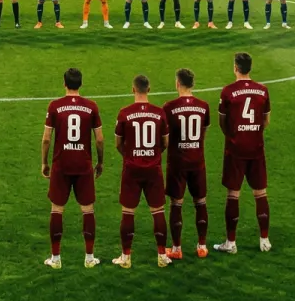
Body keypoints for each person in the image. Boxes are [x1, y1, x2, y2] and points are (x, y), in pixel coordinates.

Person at [41, 66, 104, 269]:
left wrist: (44, 162)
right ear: (81, 84)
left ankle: (56, 258)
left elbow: (46, 139)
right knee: (87, 209)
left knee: (57, 209)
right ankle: (89, 258)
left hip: (61, 163)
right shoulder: (91, 106)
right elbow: (100, 140)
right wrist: (100, 161)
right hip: (83, 164)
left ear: (64, 83)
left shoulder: (55, 106)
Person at [213, 51, 272, 254]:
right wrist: (253, 133)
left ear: (235, 68)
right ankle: (264, 240)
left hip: (235, 149)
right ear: (250, 68)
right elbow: (265, 121)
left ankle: (231, 243)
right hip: (256, 148)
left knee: (233, 194)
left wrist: (233, 136)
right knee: (260, 193)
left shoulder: (228, 91)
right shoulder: (263, 91)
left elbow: (222, 122)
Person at [112, 74, 172, 268]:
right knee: (158, 211)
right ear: (149, 89)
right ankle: (162, 256)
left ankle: (126, 257)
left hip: (131, 168)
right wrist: (152, 154)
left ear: (133, 89)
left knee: (128, 212)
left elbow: (118, 144)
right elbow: (165, 143)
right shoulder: (159, 113)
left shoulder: (124, 113)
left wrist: (130, 155)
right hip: (153, 169)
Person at [162, 68, 212, 259]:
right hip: (197, 161)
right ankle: (202, 246)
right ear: (193, 84)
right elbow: (203, 134)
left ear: (177, 83)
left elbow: (165, 138)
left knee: (176, 204)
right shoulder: (203, 106)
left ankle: (176, 249)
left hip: (178, 162)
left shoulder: (169, 107)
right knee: (200, 202)